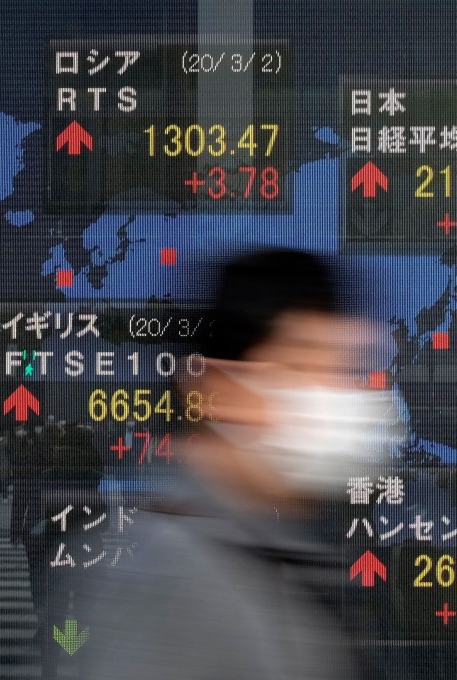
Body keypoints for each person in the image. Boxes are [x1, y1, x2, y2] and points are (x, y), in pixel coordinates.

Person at [74, 248, 392, 680]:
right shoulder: (171, 576)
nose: (335, 395)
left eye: (344, 368)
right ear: (216, 389)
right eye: (301, 365)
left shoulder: (270, 548)